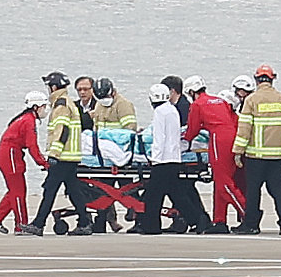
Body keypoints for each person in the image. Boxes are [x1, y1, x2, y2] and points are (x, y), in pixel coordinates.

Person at [231, 64, 281, 235]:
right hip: (277, 157)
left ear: (257, 79)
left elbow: (244, 130)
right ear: (272, 79)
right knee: (279, 191)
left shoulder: (252, 100)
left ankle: (251, 224)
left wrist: (238, 152)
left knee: (253, 192)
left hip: (255, 156)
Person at [21, 71, 91, 236]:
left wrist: (53, 154)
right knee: (74, 191)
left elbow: (62, 131)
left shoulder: (61, 105)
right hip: (71, 157)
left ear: (53, 87)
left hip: (63, 157)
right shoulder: (68, 103)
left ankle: (38, 224)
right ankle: (85, 222)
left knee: (50, 190)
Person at [141, 84, 207, 234]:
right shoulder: (172, 110)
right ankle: (197, 219)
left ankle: (151, 227)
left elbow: (159, 138)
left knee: (153, 195)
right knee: (177, 194)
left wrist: (154, 158)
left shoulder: (159, 112)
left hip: (162, 160)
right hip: (174, 159)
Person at [183, 75, 245, 234]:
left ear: (191, 92)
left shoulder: (197, 104)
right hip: (231, 137)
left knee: (224, 183)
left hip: (219, 140)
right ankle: (219, 220)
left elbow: (192, 130)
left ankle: (248, 213)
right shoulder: (219, 100)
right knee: (220, 182)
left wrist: (183, 140)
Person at [0, 91, 51, 235]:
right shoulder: (29, 121)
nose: (45, 109)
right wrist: (44, 163)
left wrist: (41, 161)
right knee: (18, 192)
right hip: (11, 156)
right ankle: (21, 225)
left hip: (8, 155)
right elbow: (32, 146)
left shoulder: (24, 119)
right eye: (44, 106)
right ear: (36, 106)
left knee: (15, 190)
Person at [92, 77, 137, 232]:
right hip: (104, 158)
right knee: (103, 191)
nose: (104, 100)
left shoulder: (123, 105)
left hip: (122, 155)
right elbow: (96, 129)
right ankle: (102, 222)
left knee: (128, 190)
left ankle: (136, 215)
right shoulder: (99, 104)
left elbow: (130, 130)